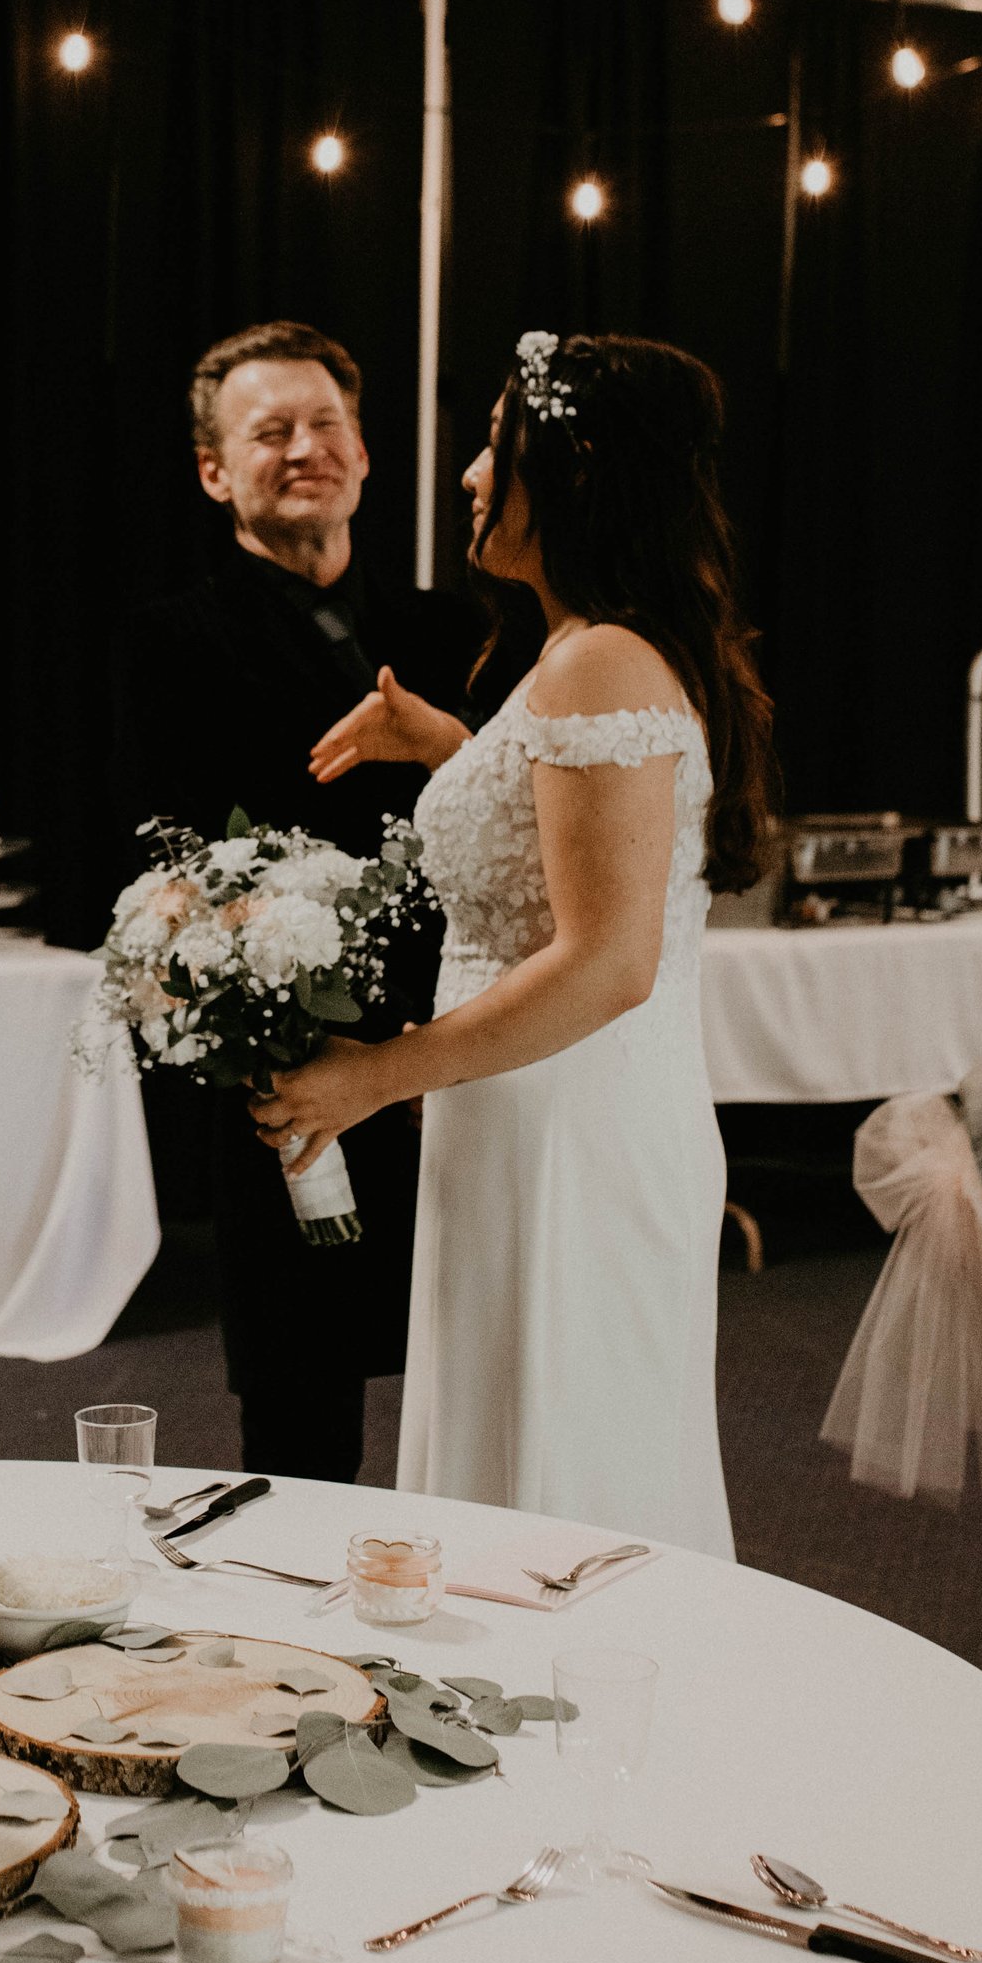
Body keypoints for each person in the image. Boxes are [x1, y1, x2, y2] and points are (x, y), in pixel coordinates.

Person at [251, 331, 773, 1553]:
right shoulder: (590, 649)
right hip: (529, 1119)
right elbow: (556, 859)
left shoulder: (600, 661)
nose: (475, 474)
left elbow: (606, 962)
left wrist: (375, 1076)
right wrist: (453, 750)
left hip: (571, 1136)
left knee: (567, 1489)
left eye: (497, 445)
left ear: (576, 471)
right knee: (519, 1460)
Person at [117, 321, 469, 1483]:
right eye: (270, 432)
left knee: (480, 1380)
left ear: (366, 455)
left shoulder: (453, 631)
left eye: (326, 426)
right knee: (302, 1414)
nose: (305, 448)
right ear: (216, 472)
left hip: (468, 1051)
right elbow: (160, 867)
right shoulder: (170, 641)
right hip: (289, 1059)